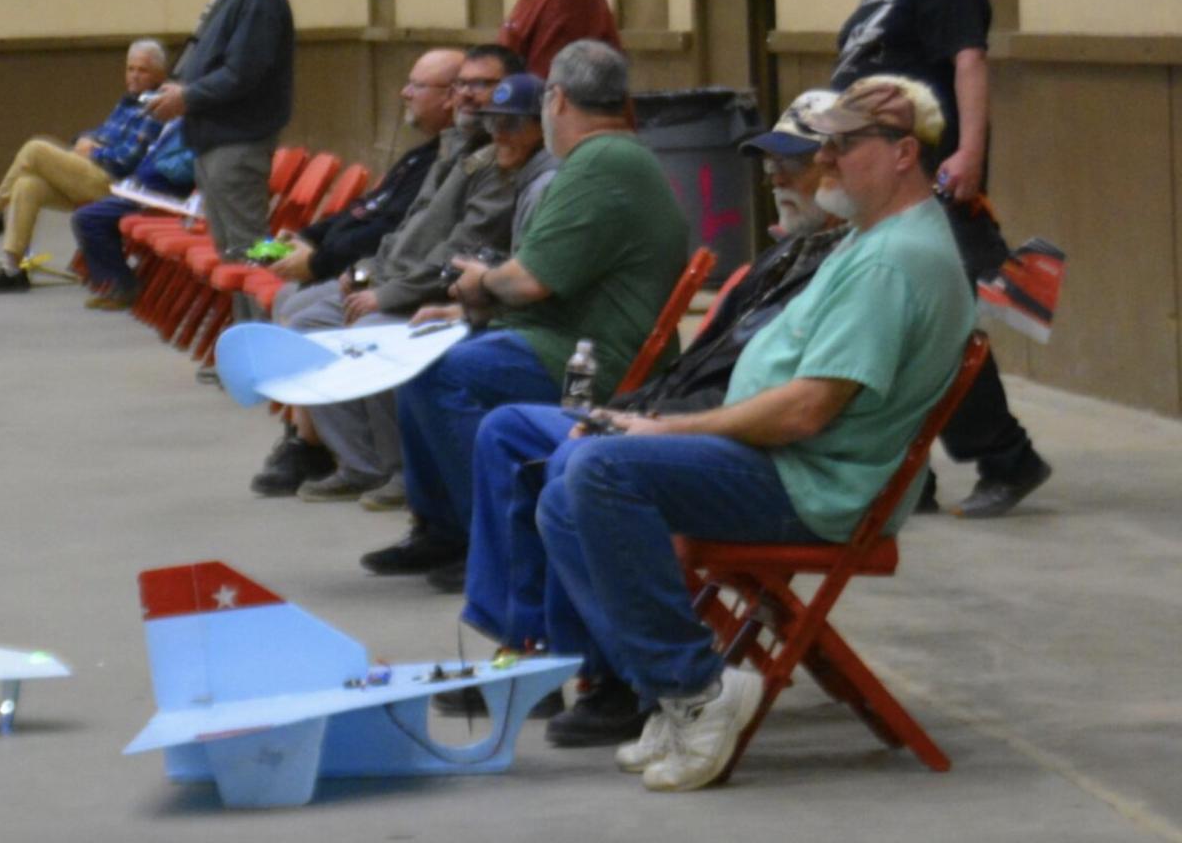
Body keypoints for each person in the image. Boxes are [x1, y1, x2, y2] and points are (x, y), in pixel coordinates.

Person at [538, 75, 974, 792]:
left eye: (843, 145)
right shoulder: (875, 239)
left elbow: (807, 411)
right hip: (787, 462)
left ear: (902, 154)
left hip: (816, 484)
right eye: (824, 145)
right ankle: (675, 692)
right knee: (567, 476)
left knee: (601, 470)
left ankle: (697, 688)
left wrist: (669, 428)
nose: (824, 160)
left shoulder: (895, 261)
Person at [441, 92, 849, 747]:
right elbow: (703, 367)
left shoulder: (846, 269)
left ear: (843, 167)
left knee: (587, 463)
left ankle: (613, 676)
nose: (773, 176)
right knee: (510, 429)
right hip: (688, 415)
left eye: (793, 161)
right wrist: (629, 410)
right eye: (769, 160)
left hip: (744, 446)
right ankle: (529, 650)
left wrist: (641, 420)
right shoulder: (782, 255)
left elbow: (769, 397)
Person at [360, 39, 687, 577]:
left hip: (593, 359)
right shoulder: (606, 160)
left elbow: (529, 281)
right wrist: (471, 314)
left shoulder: (599, 162)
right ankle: (444, 529)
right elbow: (553, 282)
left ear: (555, 100)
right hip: (567, 337)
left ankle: (489, 541)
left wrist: (478, 284)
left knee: (441, 374)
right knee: (427, 356)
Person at [819, 0, 1050, 517]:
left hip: (929, 182)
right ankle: (908, 475)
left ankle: (1006, 457)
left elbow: (968, 61)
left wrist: (970, 152)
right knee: (896, 327)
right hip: (881, 186)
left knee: (941, 329)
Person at [250, 46, 526, 500]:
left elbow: (456, 252)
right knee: (304, 310)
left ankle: (387, 466)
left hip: (443, 295)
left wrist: (385, 293)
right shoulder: (449, 152)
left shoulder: (496, 162)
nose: (468, 96)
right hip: (392, 281)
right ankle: (350, 457)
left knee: (343, 326)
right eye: (462, 86)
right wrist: (359, 275)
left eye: (482, 86)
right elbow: (401, 231)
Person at [146, 0, 295, 286]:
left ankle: (267, 332)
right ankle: (248, 336)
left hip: (238, 141)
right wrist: (183, 87)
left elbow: (243, 73)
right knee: (235, 254)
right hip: (217, 138)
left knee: (252, 252)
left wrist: (187, 97)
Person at [0, 40, 167, 294]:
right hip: (91, 172)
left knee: (36, 149)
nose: (134, 75)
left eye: (142, 70)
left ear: (159, 74)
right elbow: (101, 132)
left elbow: (127, 161)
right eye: (130, 68)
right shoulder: (128, 101)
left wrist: (94, 150)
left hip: (113, 184)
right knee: (28, 185)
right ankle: (12, 270)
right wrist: (87, 139)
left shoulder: (158, 107)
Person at [264, 49, 462, 290]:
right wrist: (308, 238)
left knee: (304, 311)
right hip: (351, 268)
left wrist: (317, 263)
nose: (405, 93)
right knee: (288, 293)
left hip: (383, 279)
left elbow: (391, 230)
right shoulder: (422, 154)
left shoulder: (447, 163)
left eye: (416, 86)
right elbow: (365, 208)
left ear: (450, 96)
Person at [70, 118, 196, 311]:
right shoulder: (177, 124)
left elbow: (183, 170)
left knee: (88, 219)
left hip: (164, 197)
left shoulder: (199, 128)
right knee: (33, 187)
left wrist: (159, 162)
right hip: (141, 189)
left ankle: (123, 284)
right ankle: (115, 283)